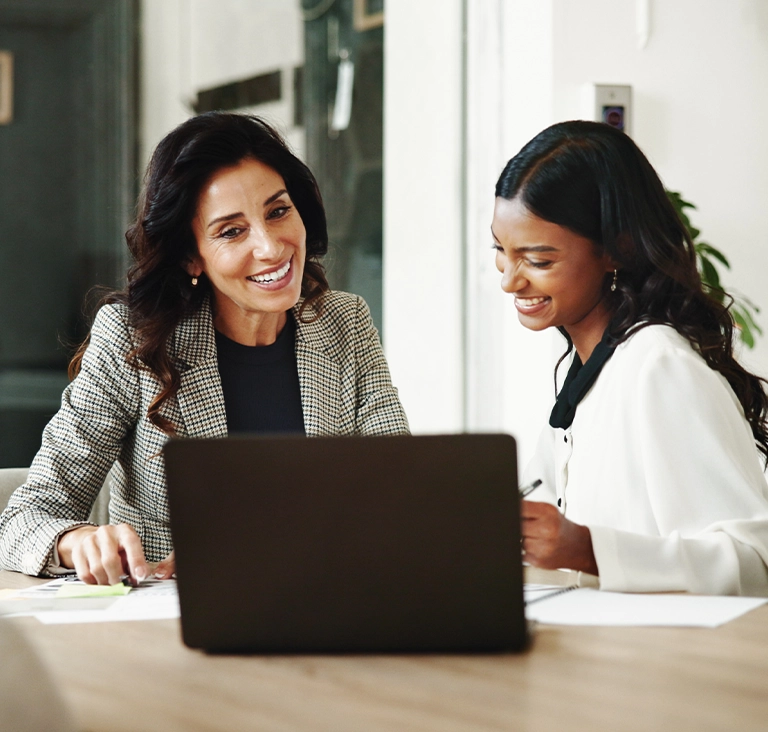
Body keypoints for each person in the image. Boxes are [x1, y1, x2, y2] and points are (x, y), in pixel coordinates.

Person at [0, 112, 409, 585]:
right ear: (191, 256)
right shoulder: (131, 339)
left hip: (323, 611)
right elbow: (24, 520)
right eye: (231, 231)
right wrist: (78, 541)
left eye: (278, 211)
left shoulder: (345, 323)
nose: (272, 248)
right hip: (174, 633)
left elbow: (397, 499)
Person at [492, 120, 768, 596]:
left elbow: (754, 565)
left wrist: (588, 549)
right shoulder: (591, 371)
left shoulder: (659, 366)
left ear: (616, 251)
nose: (510, 281)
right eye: (501, 251)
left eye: (538, 260)